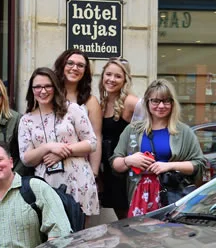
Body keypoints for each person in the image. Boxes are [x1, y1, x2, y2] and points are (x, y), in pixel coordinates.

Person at [18, 67, 99, 221]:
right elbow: (26, 158)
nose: (43, 91)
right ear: (32, 90)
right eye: (37, 87)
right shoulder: (26, 120)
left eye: (47, 86)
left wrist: (60, 152)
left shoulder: (73, 109)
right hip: (46, 185)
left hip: (77, 181)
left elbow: (91, 143)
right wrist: (47, 147)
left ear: (55, 87)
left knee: (79, 236)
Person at [111, 79, 205, 210]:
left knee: (170, 230)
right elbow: (115, 163)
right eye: (155, 101)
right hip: (139, 196)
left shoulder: (183, 131)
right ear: (147, 102)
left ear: (173, 103)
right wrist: (129, 160)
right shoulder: (132, 130)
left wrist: (168, 166)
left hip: (173, 195)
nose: (161, 106)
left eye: (166, 101)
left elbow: (198, 164)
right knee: (139, 230)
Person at [97, 57, 139, 219]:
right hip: (109, 169)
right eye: (108, 74)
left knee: (132, 218)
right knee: (122, 217)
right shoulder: (103, 102)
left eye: (118, 76)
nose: (111, 79)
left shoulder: (131, 102)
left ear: (125, 80)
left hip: (127, 171)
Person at [54, 49, 102, 178]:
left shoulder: (90, 101)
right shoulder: (48, 95)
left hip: (80, 169)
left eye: (80, 65)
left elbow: (96, 138)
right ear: (62, 66)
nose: (75, 68)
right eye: (70, 63)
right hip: (50, 165)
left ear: (85, 71)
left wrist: (94, 173)